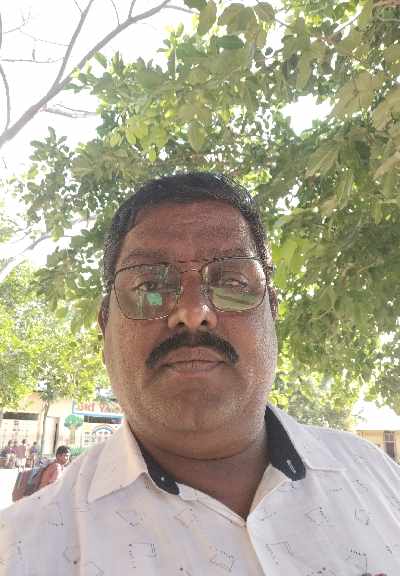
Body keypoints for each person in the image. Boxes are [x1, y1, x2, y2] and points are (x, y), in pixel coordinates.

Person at [0, 172, 399, 575]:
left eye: (232, 283)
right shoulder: (20, 551)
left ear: (272, 312)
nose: (193, 312)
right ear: (106, 325)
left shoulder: (379, 479)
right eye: (149, 285)